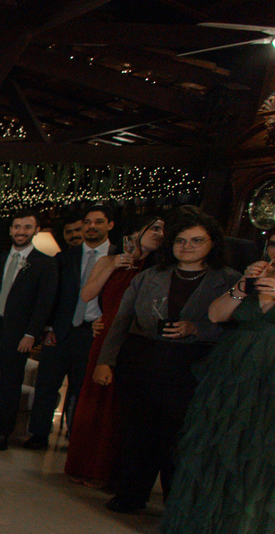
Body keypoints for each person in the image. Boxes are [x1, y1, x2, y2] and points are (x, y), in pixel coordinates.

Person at [160, 216, 275, 534]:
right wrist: (243, 285)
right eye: (274, 243)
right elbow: (216, 314)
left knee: (266, 457)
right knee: (222, 450)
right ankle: (204, 532)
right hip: (235, 377)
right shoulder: (260, 274)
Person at [93, 210, 238, 514]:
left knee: (178, 436)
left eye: (196, 240)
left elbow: (237, 328)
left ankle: (176, 503)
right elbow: (122, 321)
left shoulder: (229, 280)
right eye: (180, 240)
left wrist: (197, 329)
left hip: (193, 365)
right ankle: (131, 494)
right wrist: (105, 361)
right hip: (142, 359)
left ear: (212, 243)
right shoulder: (149, 276)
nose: (187, 246)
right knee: (136, 432)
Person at [64, 217, 163, 486]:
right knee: (93, 401)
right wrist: (113, 266)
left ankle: (108, 472)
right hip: (105, 333)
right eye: (154, 228)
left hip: (135, 338)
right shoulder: (109, 260)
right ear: (135, 232)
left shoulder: (158, 268)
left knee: (119, 406)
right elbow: (87, 295)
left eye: (164, 231)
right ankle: (83, 465)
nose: (159, 234)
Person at [0, 209, 57, 450]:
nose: (21, 231)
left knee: (10, 385)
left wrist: (31, 334)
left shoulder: (44, 263)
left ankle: (2, 433)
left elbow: (44, 303)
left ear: (36, 230)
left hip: (18, 334)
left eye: (27, 227)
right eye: (17, 227)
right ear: (10, 230)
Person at [26, 206, 118, 449]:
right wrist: (48, 327)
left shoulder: (118, 258)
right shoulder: (65, 257)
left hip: (94, 331)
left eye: (98, 221)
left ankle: (77, 438)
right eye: (87, 222)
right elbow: (52, 295)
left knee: (83, 389)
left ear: (110, 225)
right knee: (46, 385)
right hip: (60, 330)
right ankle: (38, 435)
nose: (91, 227)